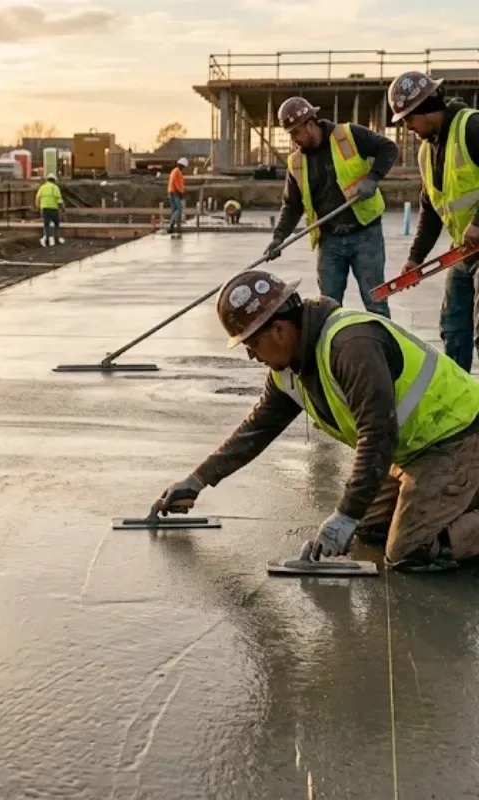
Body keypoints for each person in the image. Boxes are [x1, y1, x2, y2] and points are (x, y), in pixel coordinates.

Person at [155, 269, 479, 573]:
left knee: (409, 551)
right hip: (414, 449)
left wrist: (344, 515)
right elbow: (256, 430)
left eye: (251, 344)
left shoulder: (350, 345)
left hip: (458, 435)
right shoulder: (288, 370)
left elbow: (377, 434)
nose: (251, 355)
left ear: (278, 330)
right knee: (370, 528)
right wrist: (197, 480)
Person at [264, 96, 399, 318]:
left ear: (310, 124)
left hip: (365, 234)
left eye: (295, 133)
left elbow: (389, 148)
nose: (294, 140)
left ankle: (383, 339)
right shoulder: (296, 163)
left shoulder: (349, 135)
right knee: (328, 307)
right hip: (329, 240)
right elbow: (292, 205)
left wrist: (373, 177)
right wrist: (278, 237)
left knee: (376, 303)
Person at [389, 70, 479, 373]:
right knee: (453, 328)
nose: (407, 126)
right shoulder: (426, 152)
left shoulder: (471, 127)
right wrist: (416, 258)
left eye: (408, 119)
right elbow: (431, 210)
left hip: (475, 241)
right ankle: (463, 394)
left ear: (425, 108)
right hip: (465, 250)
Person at [35, 173, 64, 247]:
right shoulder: (55, 187)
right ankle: (56, 239)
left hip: (44, 209)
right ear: (54, 180)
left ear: (47, 180)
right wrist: (62, 208)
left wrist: (37, 206)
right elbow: (59, 200)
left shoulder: (42, 187)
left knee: (46, 225)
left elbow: (38, 197)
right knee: (56, 224)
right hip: (54, 209)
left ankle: (47, 239)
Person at [167, 157, 188, 237]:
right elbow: (176, 183)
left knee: (174, 210)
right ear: (182, 165)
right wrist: (181, 192)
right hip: (175, 193)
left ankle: (174, 227)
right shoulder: (178, 172)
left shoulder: (173, 171)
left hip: (171, 192)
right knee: (178, 210)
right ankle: (171, 226)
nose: (184, 168)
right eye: (184, 166)